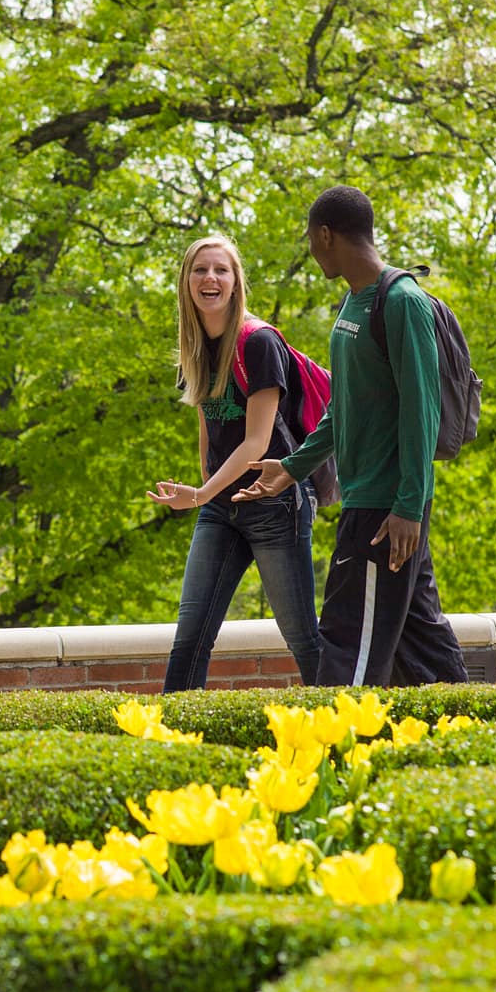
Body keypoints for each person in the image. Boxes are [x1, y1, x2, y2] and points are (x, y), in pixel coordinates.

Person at [235, 187, 467, 688]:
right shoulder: (353, 303)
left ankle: (330, 761)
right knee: (422, 646)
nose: (313, 250)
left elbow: (421, 412)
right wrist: (293, 466)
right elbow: (344, 406)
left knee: (346, 654)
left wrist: (408, 507)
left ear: (326, 234)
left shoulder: (402, 302)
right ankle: (478, 744)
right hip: (374, 501)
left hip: (385, 511)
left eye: (312, 240)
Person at [147, 235, 323, 692]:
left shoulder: (258, 341)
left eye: (220, 270)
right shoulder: (195, 345)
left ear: (235, 281)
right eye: (200, 270)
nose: (210, 278)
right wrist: (208, 486)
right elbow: (208, 418)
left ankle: (346, 734)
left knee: (303, 638)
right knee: (190, 639)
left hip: (275, 501)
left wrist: (203, 493)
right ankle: (172, 746)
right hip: (222, 507)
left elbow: (256, 442)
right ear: (186, 281)